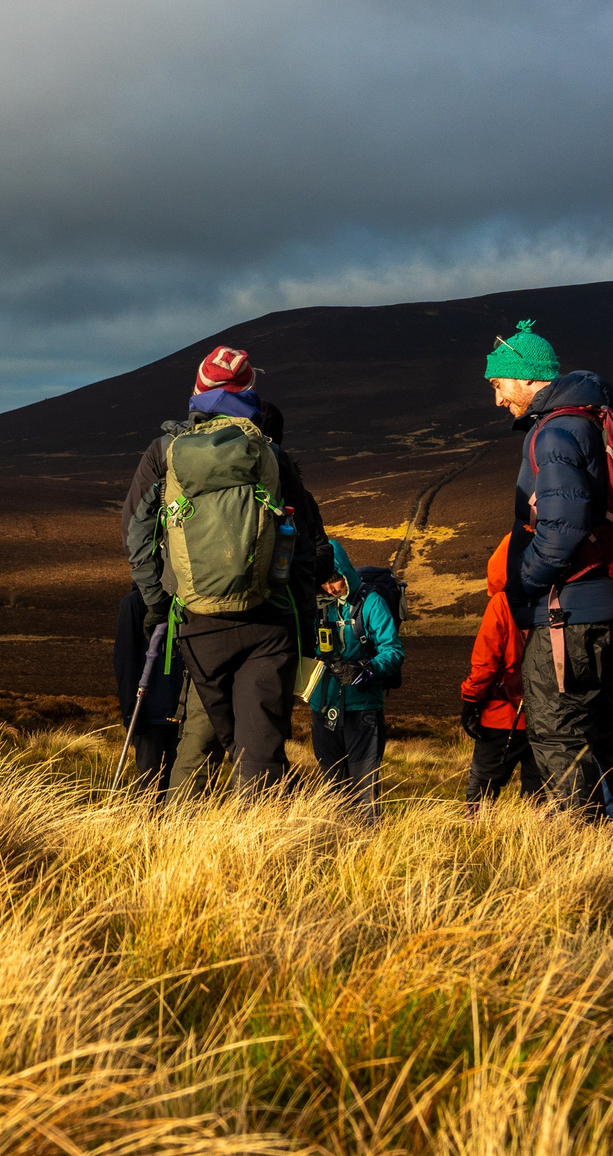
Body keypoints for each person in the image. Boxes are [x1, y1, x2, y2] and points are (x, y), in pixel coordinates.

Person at [484, 319, 613, 830]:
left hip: (568, 613)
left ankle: (584, 845)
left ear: (527, 379)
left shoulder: (555, 434)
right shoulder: (593, 420)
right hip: (612, 606)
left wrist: (525, 579)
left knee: (555, 732)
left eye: (499, 385)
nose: (498, 399)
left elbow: (561, 526)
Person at [123, 346, 327, 794]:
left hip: (198, 624)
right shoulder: (271, 454)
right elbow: (309, 543)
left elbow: (135, 535)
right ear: (250, 393)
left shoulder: (165, 453)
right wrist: (305, 622)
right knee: (259, 748)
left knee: (208, 738)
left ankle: (185, 842)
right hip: (268, 621)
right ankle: (257, 850)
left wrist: (159, 604)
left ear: (197, 392)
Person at [306, 541, 405, 822]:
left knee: (365, 793)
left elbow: (393, 650)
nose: (330, 588)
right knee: (332, 791)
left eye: (334, 579)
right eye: (323, 582)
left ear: (344, 571)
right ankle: (337, 851)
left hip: (362, 707)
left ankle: (369, 856)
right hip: (323, 709)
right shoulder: (314, 606)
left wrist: (365, 669)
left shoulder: (371, 602)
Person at [457, 533, 544, 809]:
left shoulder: (502, 602)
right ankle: (542, 848)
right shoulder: (557, 598)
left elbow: (486, 662)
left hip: (501, 717)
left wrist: (469, 701)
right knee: (539, 797)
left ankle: (478, 846)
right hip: (548, 719)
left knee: (481, 793)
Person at [113, 585, 186, 801]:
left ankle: (174, 830)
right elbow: (125, 660)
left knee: (179, 783)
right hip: (148, 713)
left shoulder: (187, 600)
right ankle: (146, 830)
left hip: (181, 710)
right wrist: (130, 714)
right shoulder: (135, 603)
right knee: (149, 781)